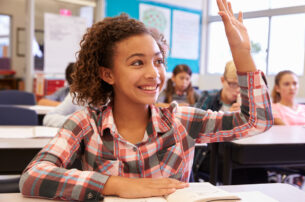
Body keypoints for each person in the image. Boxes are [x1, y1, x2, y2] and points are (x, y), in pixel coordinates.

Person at [19, 1, 273, 201]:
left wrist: (242, 54)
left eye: (159, 61)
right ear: (108, 74)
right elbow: (33, 176)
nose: (154, 73)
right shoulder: (86, 123)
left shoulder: (181, 120)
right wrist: (116, 185)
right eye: (137, 63)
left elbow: (256, 121)